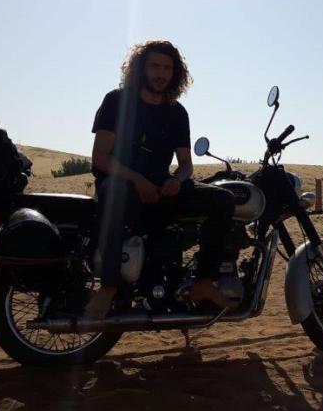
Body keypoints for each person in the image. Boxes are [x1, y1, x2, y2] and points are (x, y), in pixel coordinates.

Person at [84, 40, 239, 319]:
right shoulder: (117, 102)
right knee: (115, 193)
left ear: (175, 74)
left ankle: (204, 282)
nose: (161, 74)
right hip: (122, 184)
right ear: (140, 68)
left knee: (223, 200)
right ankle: (108, 287)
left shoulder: (176, 112)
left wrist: (177, 180)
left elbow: (186, 164)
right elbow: (100, 158)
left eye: (167, 68)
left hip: (161, 188)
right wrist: (137, 180)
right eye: (155, 66)